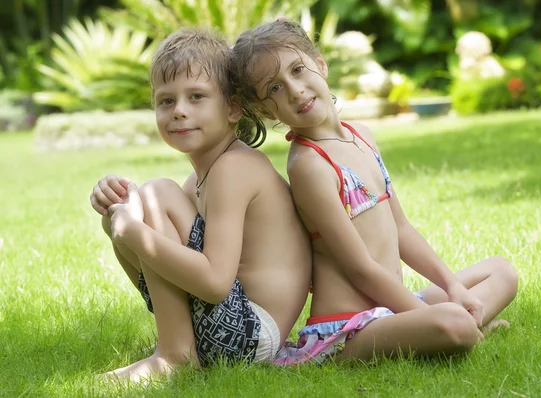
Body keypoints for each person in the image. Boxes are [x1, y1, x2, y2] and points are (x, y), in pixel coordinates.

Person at [230, 20, 518, 365]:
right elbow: (360, 269)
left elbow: (401, 228)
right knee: (454, 323)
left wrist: (452, 287)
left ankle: (444, 326)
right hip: (348, 328)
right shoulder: (308, 165)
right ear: (264, 110)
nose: (294, 90)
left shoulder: (362, 135)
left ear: (320, 64)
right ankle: (453, 328)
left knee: (501, 272)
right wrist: (424, 315)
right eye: (275, 88)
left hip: (394, 305)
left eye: (298, 70)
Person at [89, 27, 311, 380]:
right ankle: (177, 346)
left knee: (156, 193)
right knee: (142, 201)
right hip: (233, 328)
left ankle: (175, 356)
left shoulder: (235, 169)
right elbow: (164, 253)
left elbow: (214, 283)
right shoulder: (198, 180)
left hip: (251, 336)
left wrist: (131, 230)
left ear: (233, 108)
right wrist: (116, 210)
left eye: (196, 97)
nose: (178, 111)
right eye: (166, 100)